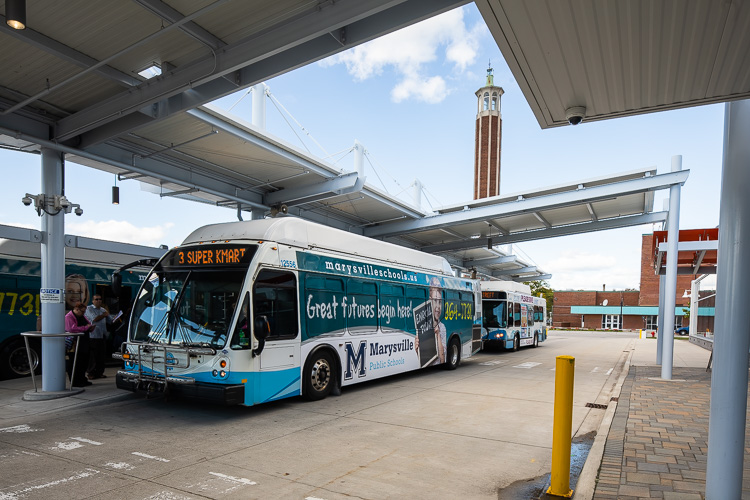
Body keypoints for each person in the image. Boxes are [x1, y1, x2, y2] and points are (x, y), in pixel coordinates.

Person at [65, 302, 94, 387]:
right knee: (74, 362)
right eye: (82, 311)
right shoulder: (69, 317)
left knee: (83, 362)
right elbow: (71, 328)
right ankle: (75, 381)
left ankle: (82, 379)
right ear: (76, 309)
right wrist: (86, 328)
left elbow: (88, 324)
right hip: (74, 344)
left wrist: (90, 327)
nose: (83, 313)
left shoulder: (82, 316)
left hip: (84, 342)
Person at [85, 294, 113, 379]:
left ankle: (99, 372)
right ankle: (91, 373)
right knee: (92, 356)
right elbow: (94, 319)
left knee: (101, 356)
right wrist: (104, 315)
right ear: (93, 301)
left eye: (100, 299)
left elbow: (110, 321)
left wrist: (115, 318)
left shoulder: (103, 310)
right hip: (93, 336)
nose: (98, 301)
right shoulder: (89, 309)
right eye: (96, 299)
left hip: (102, 335)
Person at [429, 277, 447, 364]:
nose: (437, 307)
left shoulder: (442, 327)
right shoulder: (422, 325)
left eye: (440, 302)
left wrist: (438, 334)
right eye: (435, 301)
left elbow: (442, 360)